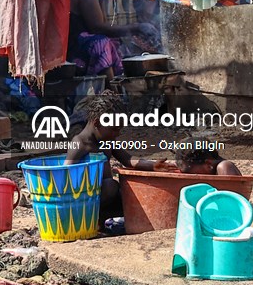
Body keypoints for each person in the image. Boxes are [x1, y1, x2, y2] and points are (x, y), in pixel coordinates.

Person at [63, 91, 240, 221]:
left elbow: (128, 159)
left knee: (130, 196)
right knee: (112, 186)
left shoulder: (106, 140)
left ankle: (106, 221)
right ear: (97, 123)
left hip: (105, 198)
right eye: (115, 129)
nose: (117, 134)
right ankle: (94, 221)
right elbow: (64, 175)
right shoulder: (79, 144)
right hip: (86, 200)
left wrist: (153, 165)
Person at [68, 0, 161, 78]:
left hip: (85, 42)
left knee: (118, 45)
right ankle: (112, 88)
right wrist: (136, 28)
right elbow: (97, 28)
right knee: (102, 44)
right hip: (75, 46)